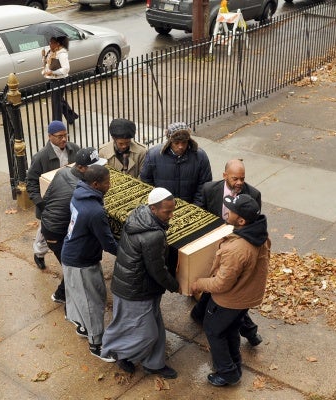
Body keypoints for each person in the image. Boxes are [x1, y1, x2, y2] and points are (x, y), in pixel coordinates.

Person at [190, 194, 270, 387]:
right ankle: (235, 365)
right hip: (246, 296)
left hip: (229, 300)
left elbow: (221, 285)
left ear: (241, 220)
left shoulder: (237, 250)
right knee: (231, 329)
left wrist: (198, 283)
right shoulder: (259, 235)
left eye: (231, 210)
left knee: (214, 330)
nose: (227, 211)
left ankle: (227, 373)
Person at [101, 187, 180, 379]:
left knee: (155, 326)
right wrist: (176, 286)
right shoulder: (154, 235)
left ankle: (154, 364)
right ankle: (118, 353)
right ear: (153, 209)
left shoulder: (139, 215)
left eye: (172, 210)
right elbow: (158, 270)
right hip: (135, 291)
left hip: (136, 285)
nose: (171, 215)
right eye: (167, 211)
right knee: (147, 334)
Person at [193, 159, 263, 346]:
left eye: (242, 178)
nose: (239, 183)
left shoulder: (253, 194)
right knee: (216, 283)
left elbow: (252, 225)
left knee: (228, 294)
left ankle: (249, 331)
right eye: (235, 179)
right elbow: (201, 214)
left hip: (235, 249)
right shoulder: (209, 189)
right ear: (224, 176)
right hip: (213, 245)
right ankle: (199, 313)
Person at [61, 165, 118, 362]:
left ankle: (83, 327)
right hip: (82, 261)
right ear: (95, 184)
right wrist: (129, 254)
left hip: (71, 253)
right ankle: (97, 344)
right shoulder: (95, 211)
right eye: (107, 183)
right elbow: (109, 244)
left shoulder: (79, 193)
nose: (110, 186)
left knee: (80, 295)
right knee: (93, 301)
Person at [41, 147, 107, 304]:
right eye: (94, 167)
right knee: (72, 268)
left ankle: (62, 294)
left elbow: (46, 197)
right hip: (56, 232)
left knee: (70, 267)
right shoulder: (82, 189)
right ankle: (64, 298)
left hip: (50, 225)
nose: (100, 169)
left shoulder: (63, 172)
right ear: (81, 168)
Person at [26, 120, 80, 271]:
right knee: (44, 231)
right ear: (50, 136)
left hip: (70, 198)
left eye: (65, 135)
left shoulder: (74, 149)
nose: (63, 139)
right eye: (59, 136)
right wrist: (41, 204)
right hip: (49, 204)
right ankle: (39, 254)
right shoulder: (40, 157)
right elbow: (31, 183)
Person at [140, 122, 212, 205]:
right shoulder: (153, 155)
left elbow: (204, 185)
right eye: (176, 143)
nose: (180, 146)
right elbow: (145, 182)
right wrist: (157, 206)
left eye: (184, 142)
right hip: (162, 209)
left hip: (190, 207)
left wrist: (196, 207)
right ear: (169, 142)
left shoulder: (200, 156)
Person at [42, 35, 78, 124]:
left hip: (59, 80)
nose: (49, 44)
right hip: (53, 80)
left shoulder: (62, 54)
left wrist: (53, 73)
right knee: (59, 100)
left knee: (56, 104)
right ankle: (71, 117)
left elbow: (66, 69)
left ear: (57, 43)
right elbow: (47, 64)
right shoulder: (51, 52)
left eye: (51, 42)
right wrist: (43, 56)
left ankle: (57, 124)